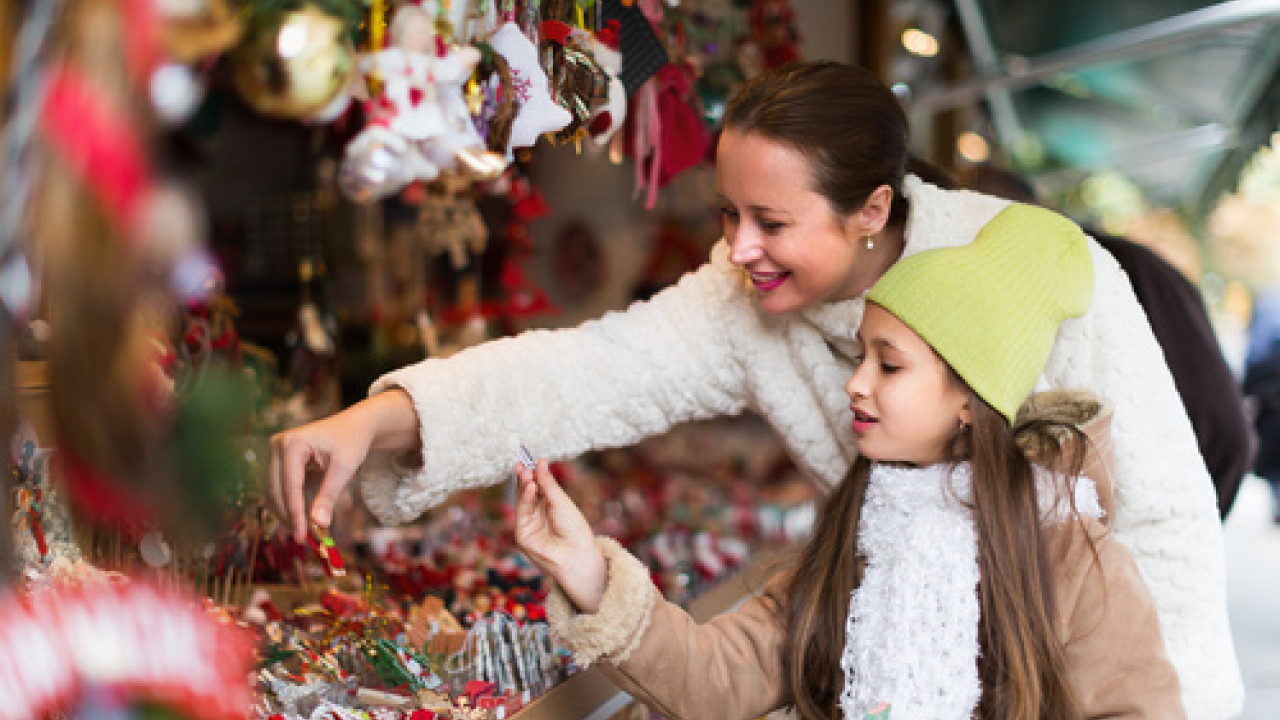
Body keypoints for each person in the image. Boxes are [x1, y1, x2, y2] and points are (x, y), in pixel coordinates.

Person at [268, 61, 1239, 718]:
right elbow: (584, 372)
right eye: (727, 212)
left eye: (769, 220)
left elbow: (1164, 535)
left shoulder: (1033, 301)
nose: (736, 249)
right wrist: (378, 419)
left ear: (870, 211)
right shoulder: (850, 541)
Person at [514, 203, 1184, 720]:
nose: (856, 383)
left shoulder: (1071, 555)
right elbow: (718, 677)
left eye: (888, 364)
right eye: (862, 355)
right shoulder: (861, 534)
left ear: (969, 402)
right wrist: (589, 577)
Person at [960, 164, 1256, 518]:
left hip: (1183, 480)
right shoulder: (1112, 261)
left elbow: (1216, 418)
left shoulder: (1096, 269)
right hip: (1199, 467)